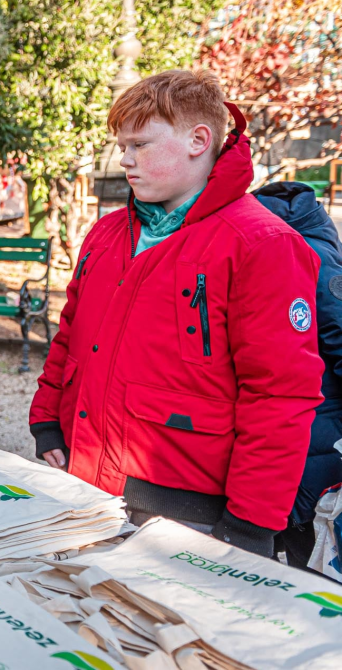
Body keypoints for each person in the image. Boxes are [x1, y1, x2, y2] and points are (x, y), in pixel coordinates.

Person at [29, 70, 323, 556]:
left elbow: (279, 394)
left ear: (198, 140)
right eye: (122, 145)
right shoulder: (106, 234)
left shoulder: (262, 244)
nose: (124, 159)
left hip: (188, 509)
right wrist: (45, 420)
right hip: (84, 482)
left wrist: (251, 522)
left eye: (139, 144)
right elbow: (70, 337)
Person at [255, 181, 342, 570]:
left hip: (313, 440)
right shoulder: (312, 246)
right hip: (302, 437)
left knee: (310, 569)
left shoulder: (307, 254)